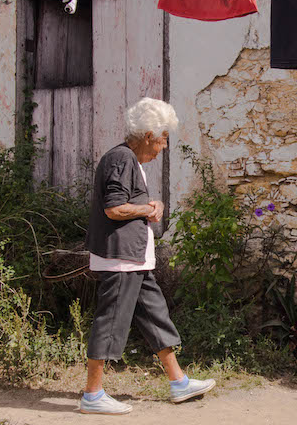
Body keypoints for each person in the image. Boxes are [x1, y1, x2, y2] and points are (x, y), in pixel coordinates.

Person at [79, 97, 215, 415]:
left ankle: (179, 382)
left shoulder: (129, 161)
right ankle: (92, 395)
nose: (164, 146)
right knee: (110, 321)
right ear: (150, 135)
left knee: (155, 317)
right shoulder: (121, 159)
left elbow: (127, 204)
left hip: (136, 258)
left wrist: (151, 207)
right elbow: (114, 208)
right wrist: (148, 209)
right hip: (120, 258)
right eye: (164, 137)